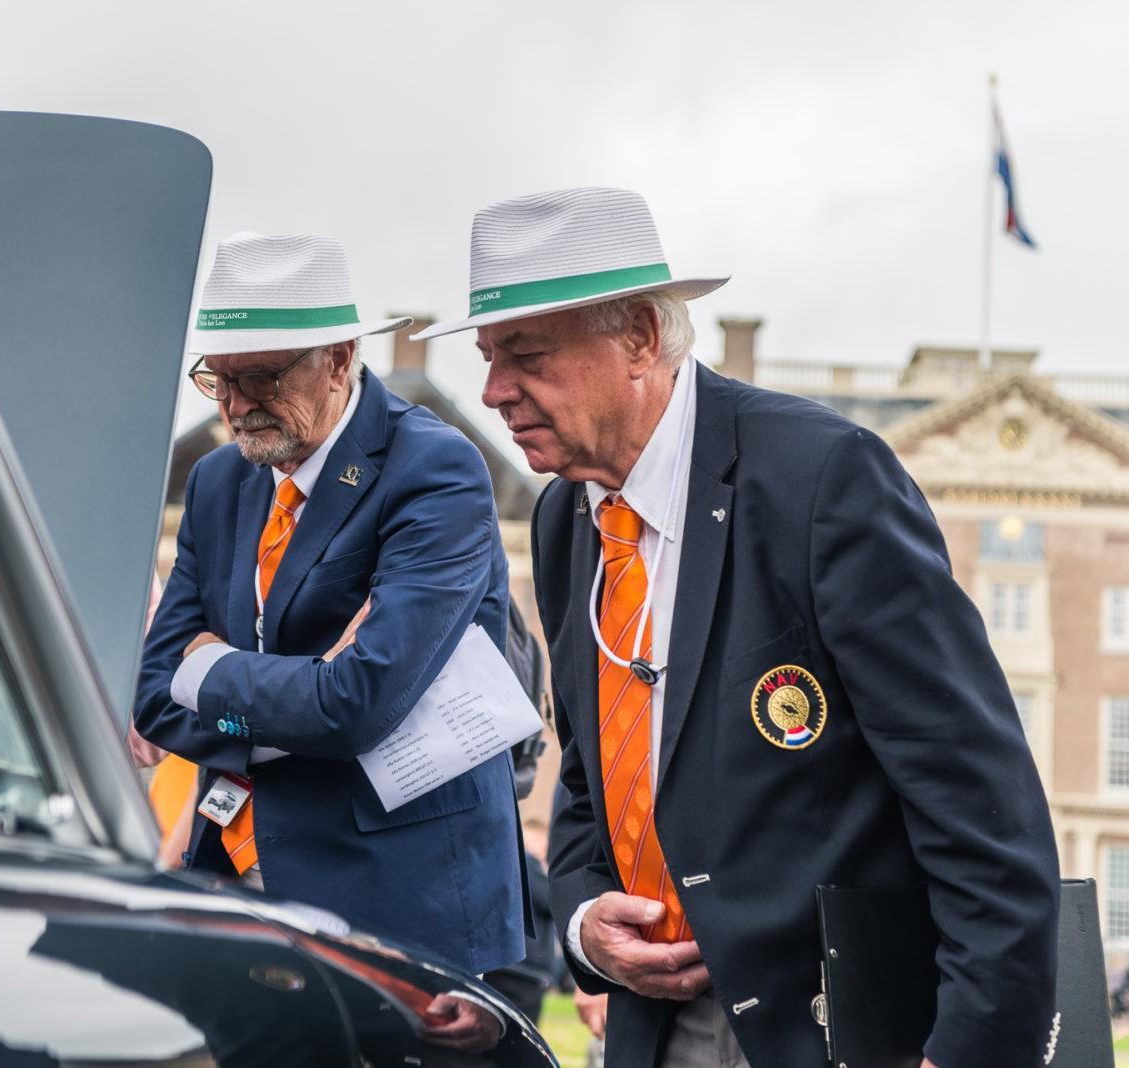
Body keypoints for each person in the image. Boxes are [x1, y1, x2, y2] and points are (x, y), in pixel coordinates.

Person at [412, 187, 1060, 1066]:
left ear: (641, 336)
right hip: (654, 1026)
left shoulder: (821, 479)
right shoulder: (566, 518)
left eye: (525, 355)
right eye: (488, 358)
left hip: (823, 1027)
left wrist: (973, 1048)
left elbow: (978, 798)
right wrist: (584, 922)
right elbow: (589, 784)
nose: (492, 392)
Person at [134, 232, 527, 999]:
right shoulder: (217, 481)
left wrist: (207, 668)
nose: (235, 404)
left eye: (262, 376)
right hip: (232, 877)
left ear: (340, 360)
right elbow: (153, 695)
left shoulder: (435, 469)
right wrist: (306, 691)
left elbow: (357, 706)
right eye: (218, 378)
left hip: (393, 901)